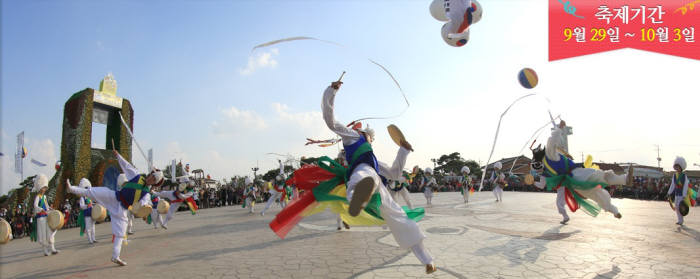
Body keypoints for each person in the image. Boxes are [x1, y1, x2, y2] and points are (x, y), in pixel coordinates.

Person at [321, 79, 436, 274]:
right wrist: (331, 92)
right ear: (366, 133)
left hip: (378, 185)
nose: (373, 140)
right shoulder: (353, 136)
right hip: (361, 172)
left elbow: (394, 173)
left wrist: (403, 151)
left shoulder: (372, 157)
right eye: (372, 137)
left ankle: (428, 261)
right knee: (364, 178)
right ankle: (358, 200)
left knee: (400, 218)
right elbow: (330, 121)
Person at [67, 151, 163, 266]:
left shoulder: (147, 194)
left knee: (120, 234)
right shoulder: (137, 175)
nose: (151, 179)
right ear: (149, 174)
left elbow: (142, 205)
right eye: (151, 176)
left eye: (153, 179)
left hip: (122, 209)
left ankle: (115, 256)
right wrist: (118, 156)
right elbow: (126, 166)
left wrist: (144, 211)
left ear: (154, 183)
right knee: (93, 192)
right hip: (115, 196)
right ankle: (71, 189)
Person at [531, 120, 630, 220]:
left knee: (596, 195)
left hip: (574, 186)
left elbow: (541, 184)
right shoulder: (549, 156)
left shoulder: (546, 169)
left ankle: (614, 211)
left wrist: (532, 181)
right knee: (602, 176)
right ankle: (624, 179)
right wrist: (560, 128)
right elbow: (551, 141)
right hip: (577, 175)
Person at [31, 174, 59, 256]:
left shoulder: (44, 197)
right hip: (40, 218)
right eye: (43, 187)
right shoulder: (38, 197)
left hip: (46, 216)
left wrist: (50, 209)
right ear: (40, 187)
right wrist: (41, 209)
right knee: (43, 234)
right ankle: (45, 251)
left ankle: (53, 248)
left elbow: (47, 206)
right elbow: (35, 206)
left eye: (45, 187)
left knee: (50, 232)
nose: (44, 189)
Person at [667, 156, 690, 225]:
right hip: (676, 194)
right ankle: (680, 220)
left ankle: (681, 220)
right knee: (676, 207)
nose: (677, 168)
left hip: (681, 195)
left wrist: (684, 195)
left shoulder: (684, 176)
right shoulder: (674, 176)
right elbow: (672, 185)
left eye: (678, 167)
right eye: (676, 167)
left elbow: (686, 185)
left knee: (680, 207)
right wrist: (669, 192)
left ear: (681, 167)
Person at [78, 178, 97, 244]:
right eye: (85, 188)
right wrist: (87, 206)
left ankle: (94, 238)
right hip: (87, 214)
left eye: (87, 188)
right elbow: (81, 206)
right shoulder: (82, 198)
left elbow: (92, 204)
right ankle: (90, 240)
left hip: (92, 213)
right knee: (88, 227)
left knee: (93, 226)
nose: (87, 189)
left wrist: (94, 205)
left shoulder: (90, 197)